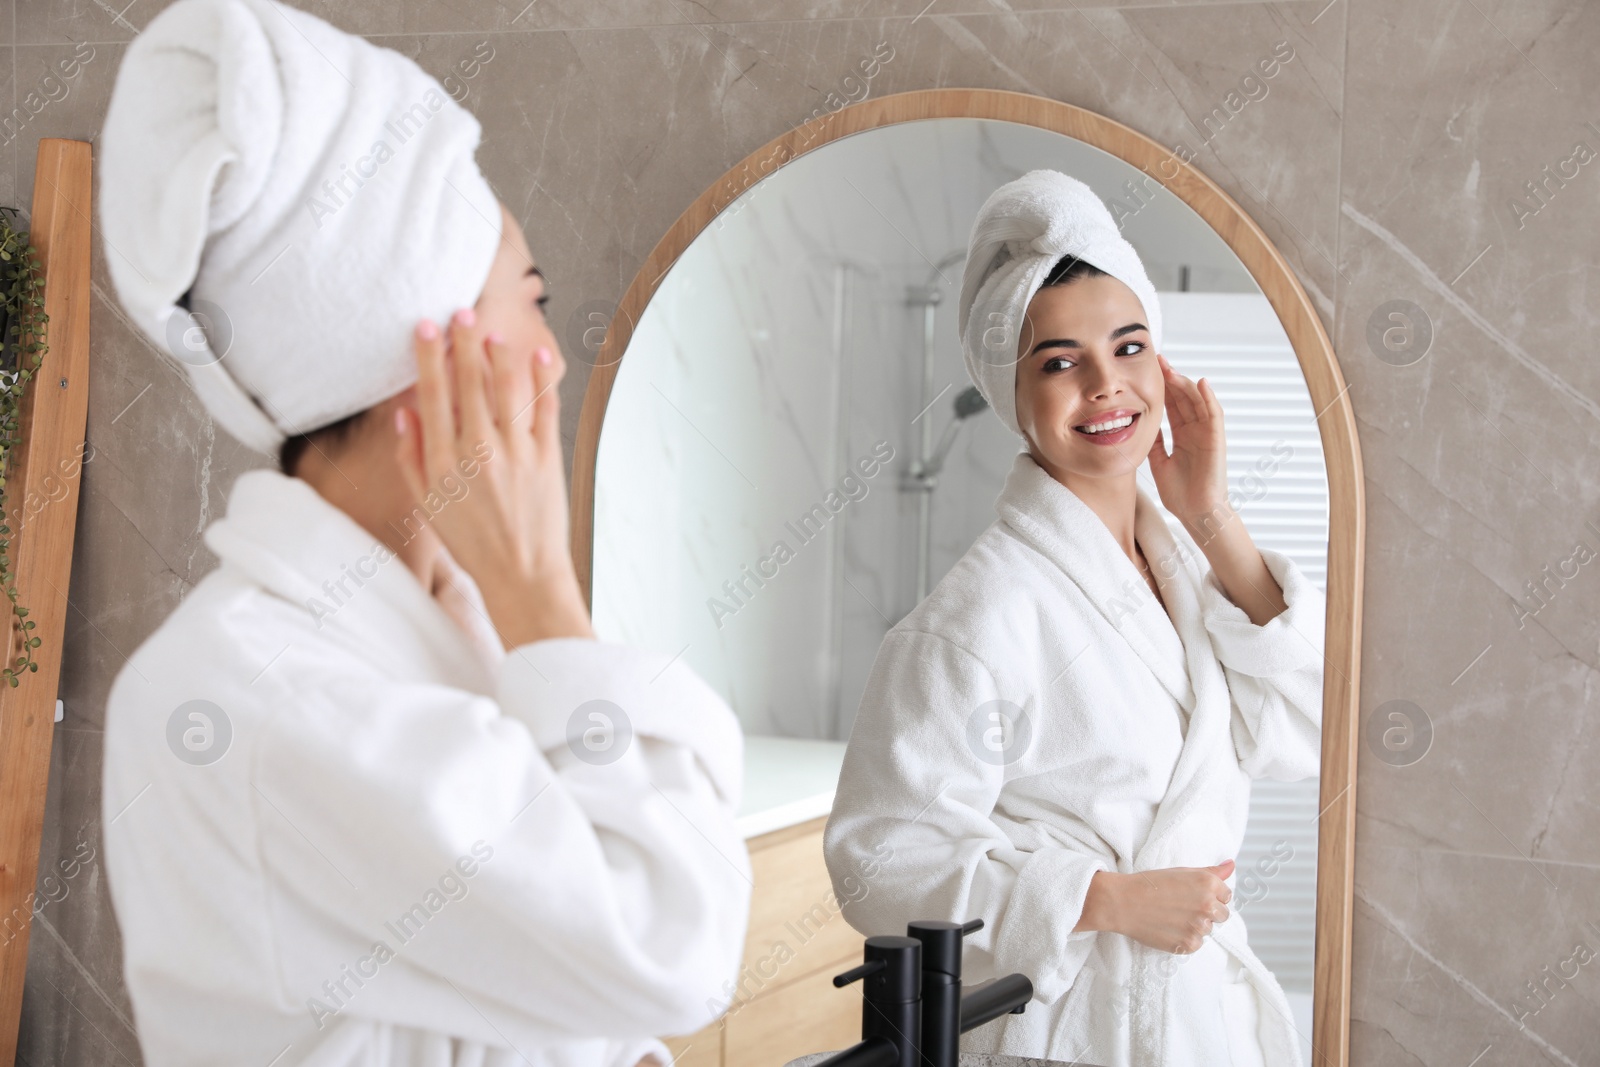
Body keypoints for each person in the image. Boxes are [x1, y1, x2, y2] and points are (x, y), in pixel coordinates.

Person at [95, 2, 750, 1065]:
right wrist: (544, 592)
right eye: (527, 299)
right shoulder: (253, 696)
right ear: (419, 354)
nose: (550, 355)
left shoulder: (435, 627)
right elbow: (673, 949)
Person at [822, 170, 1325, 1066]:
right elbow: (876, 857)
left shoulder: (1181, 570)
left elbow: (1306, 732)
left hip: (1196, 1019)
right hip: (1071, 1034)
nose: (1106, 384)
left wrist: (1211, 514)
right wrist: (1100, 899)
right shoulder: (980, 614)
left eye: (1129, 347)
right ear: (1009, 392)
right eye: (1060, 362)